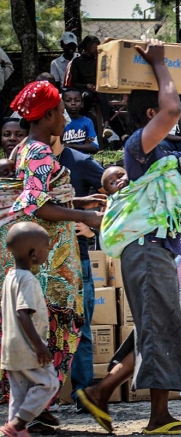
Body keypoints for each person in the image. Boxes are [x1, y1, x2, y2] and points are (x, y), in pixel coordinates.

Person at [76, 40, 181, 435]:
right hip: (146, 249)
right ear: (151, 114)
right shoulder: (138, 147)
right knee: (160, 325)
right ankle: (157, 418)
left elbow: (171, 111)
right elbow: (171, 108)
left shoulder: (161, 149)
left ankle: (100, 392)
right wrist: (161, 65)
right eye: (165, 99)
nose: (175, 113)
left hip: (158, 249)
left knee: (154, 324)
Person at [0, 80, 103, 417]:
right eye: (60, 111)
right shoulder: (40, 150)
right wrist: (86, 216)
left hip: (46, 257)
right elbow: (37, 205)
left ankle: (36, 410)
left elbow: (41, 193)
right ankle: (34, 410)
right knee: (54, 328)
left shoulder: (25, 149)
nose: (65, 119)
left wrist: (76, 200)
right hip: (49, 265)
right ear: (47, 116)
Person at [54, 132, 105, 414]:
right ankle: (41, 401)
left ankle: (82, 395)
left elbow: (117, 193)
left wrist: (94, 227)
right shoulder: (29, 164)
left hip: (78, 259)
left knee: (80, 330)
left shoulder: (81, 162)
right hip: (39, 263)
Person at [0, 223, 59, 437]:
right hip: (27, 348)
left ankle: (16, 431)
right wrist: (39, 346)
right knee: (48, 383)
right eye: (46, 246)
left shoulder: (9, 277)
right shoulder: (28, 280)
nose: (49, 250)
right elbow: (22, 313)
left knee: (20, 392)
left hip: (10, 349)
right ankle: (17, 424)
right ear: (33, 254)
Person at [65, 36, 112, 138]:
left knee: (102, 93)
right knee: (86, 96)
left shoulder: (98, 61)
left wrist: (97, 85)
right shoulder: (76, 62)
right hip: (83, 89)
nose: (97, 49)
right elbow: (74, 83)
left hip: (97, 89)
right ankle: (82, 122)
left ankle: (107, 125)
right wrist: (86, 85)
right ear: (87, 47)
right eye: (95, 47)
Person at [62, 88, 99, 154]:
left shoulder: (87, 122)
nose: (73, 103)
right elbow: (57, 146)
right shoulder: (59, 121)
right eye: (68, 100)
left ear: (82, 104)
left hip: (83, 159)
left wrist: (69, 145)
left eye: (77, 100)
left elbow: (94, 147)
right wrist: (84, 145)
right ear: (62, 104)